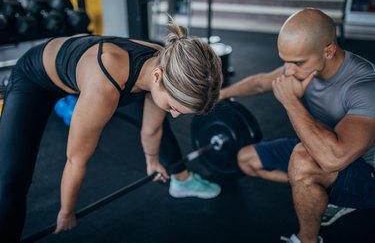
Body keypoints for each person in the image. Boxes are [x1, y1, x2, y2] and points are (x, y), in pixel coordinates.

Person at [0, 19, 223, 242]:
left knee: (159, 115)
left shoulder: (164, 62)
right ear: (157, 77)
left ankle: (181, 179)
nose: (175, 115)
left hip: (83, 71)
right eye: (174, 107)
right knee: (12, 179)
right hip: (34, 79)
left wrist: (152, 160)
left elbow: (152, 129)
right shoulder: (104, 88)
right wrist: (66, 212)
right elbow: (75, 160)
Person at [221, 8, 375, 243]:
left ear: (328, 50)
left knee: (302, 160)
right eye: (285, 62)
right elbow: (260, 83)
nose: (289, 71)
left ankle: (307, 239)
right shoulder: (305, 66)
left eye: (297, 62)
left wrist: (291, 101)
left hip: (365, 171)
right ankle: (324, 192)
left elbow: (334, 159)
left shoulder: (365, 86)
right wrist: (220, 95)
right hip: (322, 143)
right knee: (246, 159)